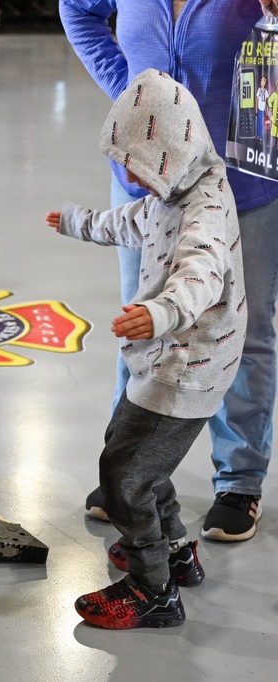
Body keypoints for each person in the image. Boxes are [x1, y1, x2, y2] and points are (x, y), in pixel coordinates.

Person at [59, 0, 278, 542]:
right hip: (145, 181)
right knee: (141, 325)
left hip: (243, 181)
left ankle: (239, 481)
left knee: (244, 330)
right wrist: (131, 95)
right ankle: (131, 472)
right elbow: (77, 7)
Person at [46, 69, 246, 629]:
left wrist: (159, 313)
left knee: (124, 476)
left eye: (138, 163)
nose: (131, 176)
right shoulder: (173, 189)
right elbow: (134, 222)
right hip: (167, 358)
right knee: (136, 455)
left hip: (186, 365)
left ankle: (152, 588)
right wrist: (79, 222)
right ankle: (174, 551)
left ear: (171, 149)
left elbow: (201, 274)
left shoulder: (205, 210)